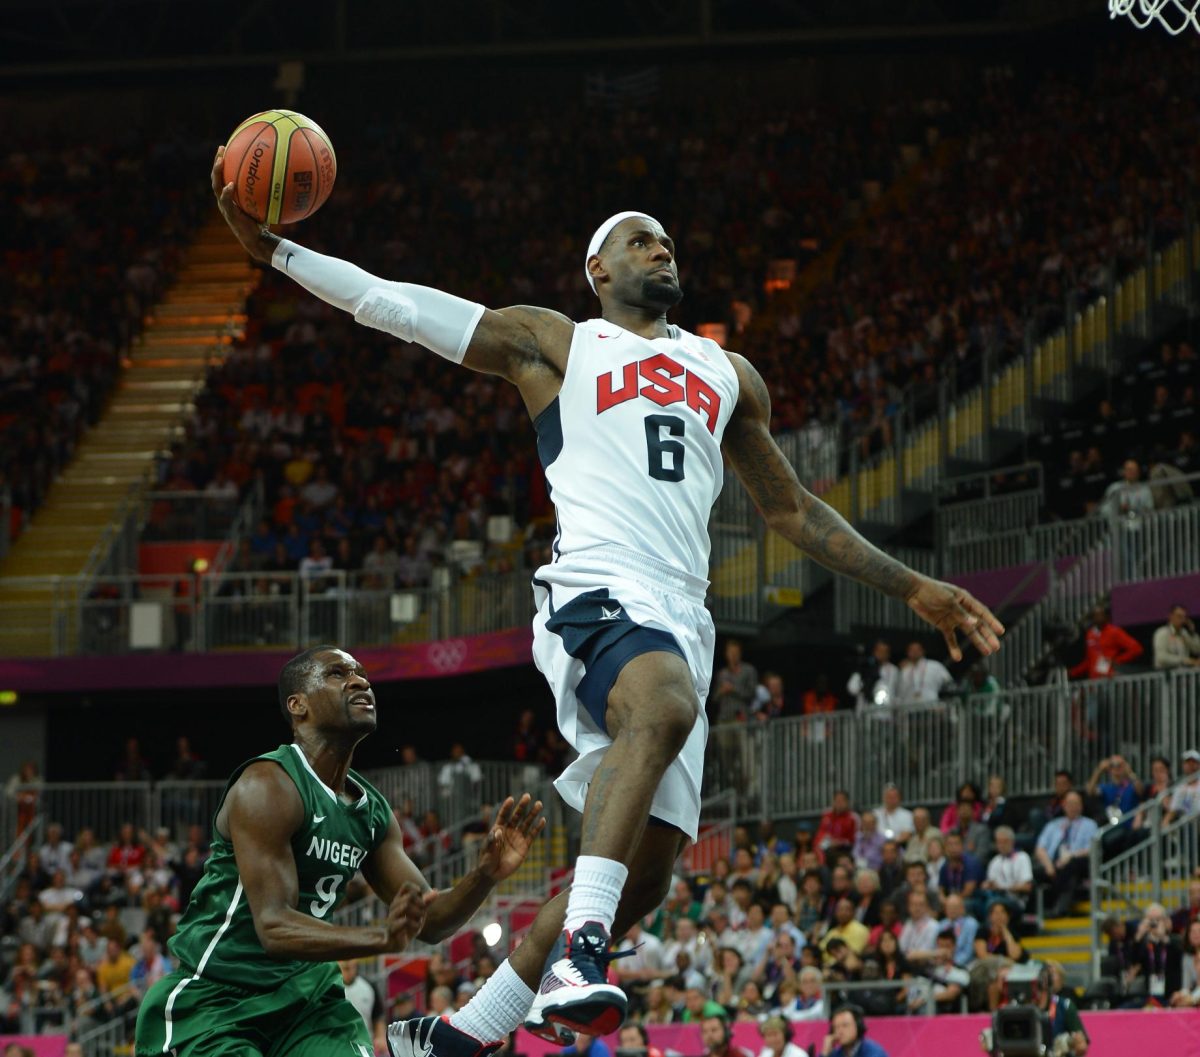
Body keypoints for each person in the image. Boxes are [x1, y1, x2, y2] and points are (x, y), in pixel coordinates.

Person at [214, 164, 1004, 1052]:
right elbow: (396, 304)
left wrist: (916, 587)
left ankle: (453, 1037)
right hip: (596, 581)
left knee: (648, 878)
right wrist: (278, 250)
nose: (660, 249)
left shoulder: (728, 371)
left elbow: (792, 511)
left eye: (666, 241)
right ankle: (580, 956)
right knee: (661, 704)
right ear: (597, 270)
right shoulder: (558, 343)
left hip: (683, 609)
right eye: (640, 239)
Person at [133, 645, 545, 1057]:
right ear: (298, 705)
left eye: (362, 674)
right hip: (217, 996)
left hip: (308, 1001)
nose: (360, 681)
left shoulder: (371, 811)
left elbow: (431, 920)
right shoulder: (269, 784)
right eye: (337, 674)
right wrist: (381, 937)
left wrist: (484, 875)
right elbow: (274, 927)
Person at [1033, 791, 1097, 918]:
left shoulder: (1090, 824)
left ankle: (1058, 907)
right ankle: (1034, 914)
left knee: (1071, 867)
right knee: (1033, 871)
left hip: (1077, 861)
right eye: (1069, 803)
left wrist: (1070, 856)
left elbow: (1091, 849)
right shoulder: (1053, 825)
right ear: (1064, 805)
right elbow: (1040, 848)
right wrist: (1048, 865)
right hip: (1052, 863)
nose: (1073, 807)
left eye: (1076, 803)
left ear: (1081, 806)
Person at [1068, 606, 1143, 681]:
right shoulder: (1090, 634)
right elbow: (1090, 659)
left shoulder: (1114, 631)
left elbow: (1136, 649)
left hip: (1110, 678)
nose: (1098, 618)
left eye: (1100, 615)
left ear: (1106, 617)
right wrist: (1074, 672)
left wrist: (1118, 660)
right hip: (1094, 680)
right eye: (1095, 615)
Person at [981, 827, 1033, 918]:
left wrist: (1002, 887)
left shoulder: (1022, 857)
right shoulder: (995, 861)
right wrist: (987, 885)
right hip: (996, 897)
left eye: (1005, 841)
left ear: (1012, 842)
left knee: (993, 904)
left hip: (1016, 901)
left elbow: (1027, 887)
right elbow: (990, 884)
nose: (1002, 845)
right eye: (999, 842)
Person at [341, 959, 387, 1056]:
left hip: (364, 1045)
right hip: (340, 1044)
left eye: (350, 957)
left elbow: (378, 1017)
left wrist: (380, 1037)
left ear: (356, 961)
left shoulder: (368, 986)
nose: (347, 961)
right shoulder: (331, 987)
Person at [819, 1005, 888, 1057]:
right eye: (836, 1027)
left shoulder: (873, 1052)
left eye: (845, 1025)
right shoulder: (835, 1054)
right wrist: (825, 1052)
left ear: (858, 1026)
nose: (840, 1031)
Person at [1153, 604, 1200, 669]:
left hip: (1182, 672)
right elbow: (1161, 657)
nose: (1182, 620)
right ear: (1170, 616)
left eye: (1184, 617)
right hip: (1166, 673)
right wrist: (1184, 660)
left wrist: (1192, 633)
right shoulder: (1162, 633)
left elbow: (1197, 650)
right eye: (1179, 617)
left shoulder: (1184, 633)